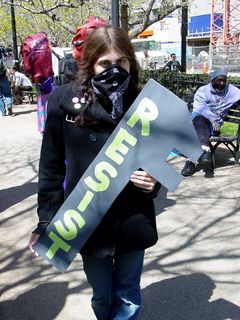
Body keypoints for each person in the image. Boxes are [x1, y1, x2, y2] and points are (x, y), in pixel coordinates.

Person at [28, 26, 161, 319]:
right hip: (87, 221)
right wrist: (45, 220)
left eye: (122, 62)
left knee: (127, 294)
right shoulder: (63, 100)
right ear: (90, 63)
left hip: (132, 217)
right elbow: (50, 167)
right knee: (101, 295)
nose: (114, 70)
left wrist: (153, 183)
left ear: (131, 63)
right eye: (105, 63)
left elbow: (156, 162)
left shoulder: (146, 104)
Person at [181, 69, 240, 177]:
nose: (222, 83)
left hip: (214, 128)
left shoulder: (231, 90)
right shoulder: (203, 91)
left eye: (224, 80)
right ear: (212, 81)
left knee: (196, 131)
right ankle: (203, 150)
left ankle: (193, 161)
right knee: (199, 120)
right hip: (200, 122)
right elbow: (199, 108)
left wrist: (215, 122)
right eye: (219, 80)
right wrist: (213, 119)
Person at [0, 49, 14, 116]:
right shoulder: (4, 57)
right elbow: (11, 65)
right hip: (4, 78)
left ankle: (3, 112)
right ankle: (9, 106)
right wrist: (8, 57)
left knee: (0, 97)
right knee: (7, 94)